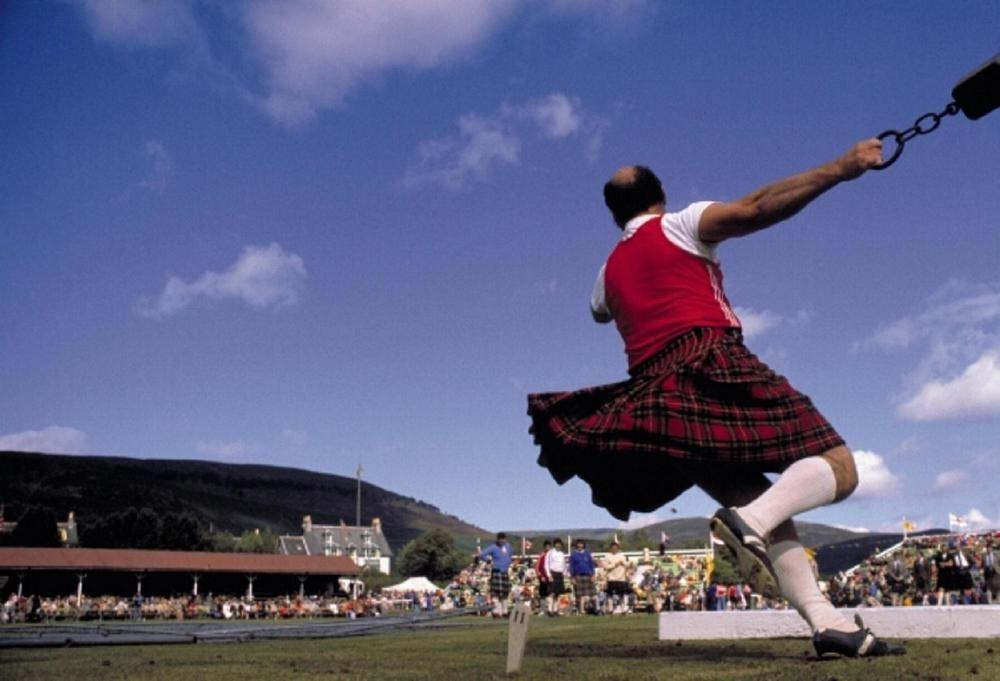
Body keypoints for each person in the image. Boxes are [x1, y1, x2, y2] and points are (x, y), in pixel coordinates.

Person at [527, 139, 904, 658]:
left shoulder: (604, 276)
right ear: (661, 195)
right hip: (709, 358)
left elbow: (599, 311)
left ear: (614, 215)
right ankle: (746, 525)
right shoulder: (681, 223)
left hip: (658, 401)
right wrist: (840, 168)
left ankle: (828, 624)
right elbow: (754, 209)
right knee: (840, 467)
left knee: (768, 510)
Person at [477, 532, 513, 617]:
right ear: (497, 539)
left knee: (505, 593)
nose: (502, 541)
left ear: (505, 539)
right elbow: (481, 555)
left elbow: (510, 555)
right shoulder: (493, 547)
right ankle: (496, 611)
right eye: (500, 539)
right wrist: (488, 561)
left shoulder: (508, 546)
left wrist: (508, 562)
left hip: (505, 572)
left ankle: (505, 611)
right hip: (496, 571)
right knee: (496, 593)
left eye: (503, 539)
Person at [602, 541, 633, 613]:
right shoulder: (607, 556)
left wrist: (629, 564)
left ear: (618, 548)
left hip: (621, 579)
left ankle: (623, 609)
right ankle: (610, 609)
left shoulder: (622, 556)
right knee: (610, 595)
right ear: (610, 548)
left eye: (616, 548)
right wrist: (615, 564)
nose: (614, 549)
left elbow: (627, 565)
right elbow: (606, 567)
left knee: (621, 595)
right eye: (613, 548)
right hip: (611, 578)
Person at [569, 539, 596, 614]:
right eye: (578, 544)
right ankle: (581, 610)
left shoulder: (587, 553)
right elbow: (571, 567)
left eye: (581, 544)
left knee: (592, 594)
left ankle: (592, 609)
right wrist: (572, 577)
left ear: (583, 545)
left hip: (588, 575)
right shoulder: (573, 555)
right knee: (579, 595)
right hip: (578, 576)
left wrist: (593, 574)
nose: (580, 545)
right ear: (576, 545)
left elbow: (591, 565)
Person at [545, 538, 567, 615]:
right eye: (557, 544)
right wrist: (549, 575)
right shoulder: (550, 553)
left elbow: (564, 564)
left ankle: (555, 609)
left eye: (560, 544)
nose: (558, 545)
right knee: (552, 593)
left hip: (560, 574)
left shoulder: (562, 554)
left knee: (558, 593)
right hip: (552, 573)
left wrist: (564, 573)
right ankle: (549, 609)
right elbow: (546, 564)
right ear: (554, 544)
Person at [535, 540, 553, 613]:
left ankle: (550, 609)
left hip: (551, 577)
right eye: (546, 546)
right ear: (544, 547)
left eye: (549, 546)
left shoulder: (553, 555)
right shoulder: (542, 556)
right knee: (543, 594)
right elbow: (537, 567)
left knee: (551, 594)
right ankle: (543, 609)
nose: (548, 548)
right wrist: (540, 576)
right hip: (543, 578)